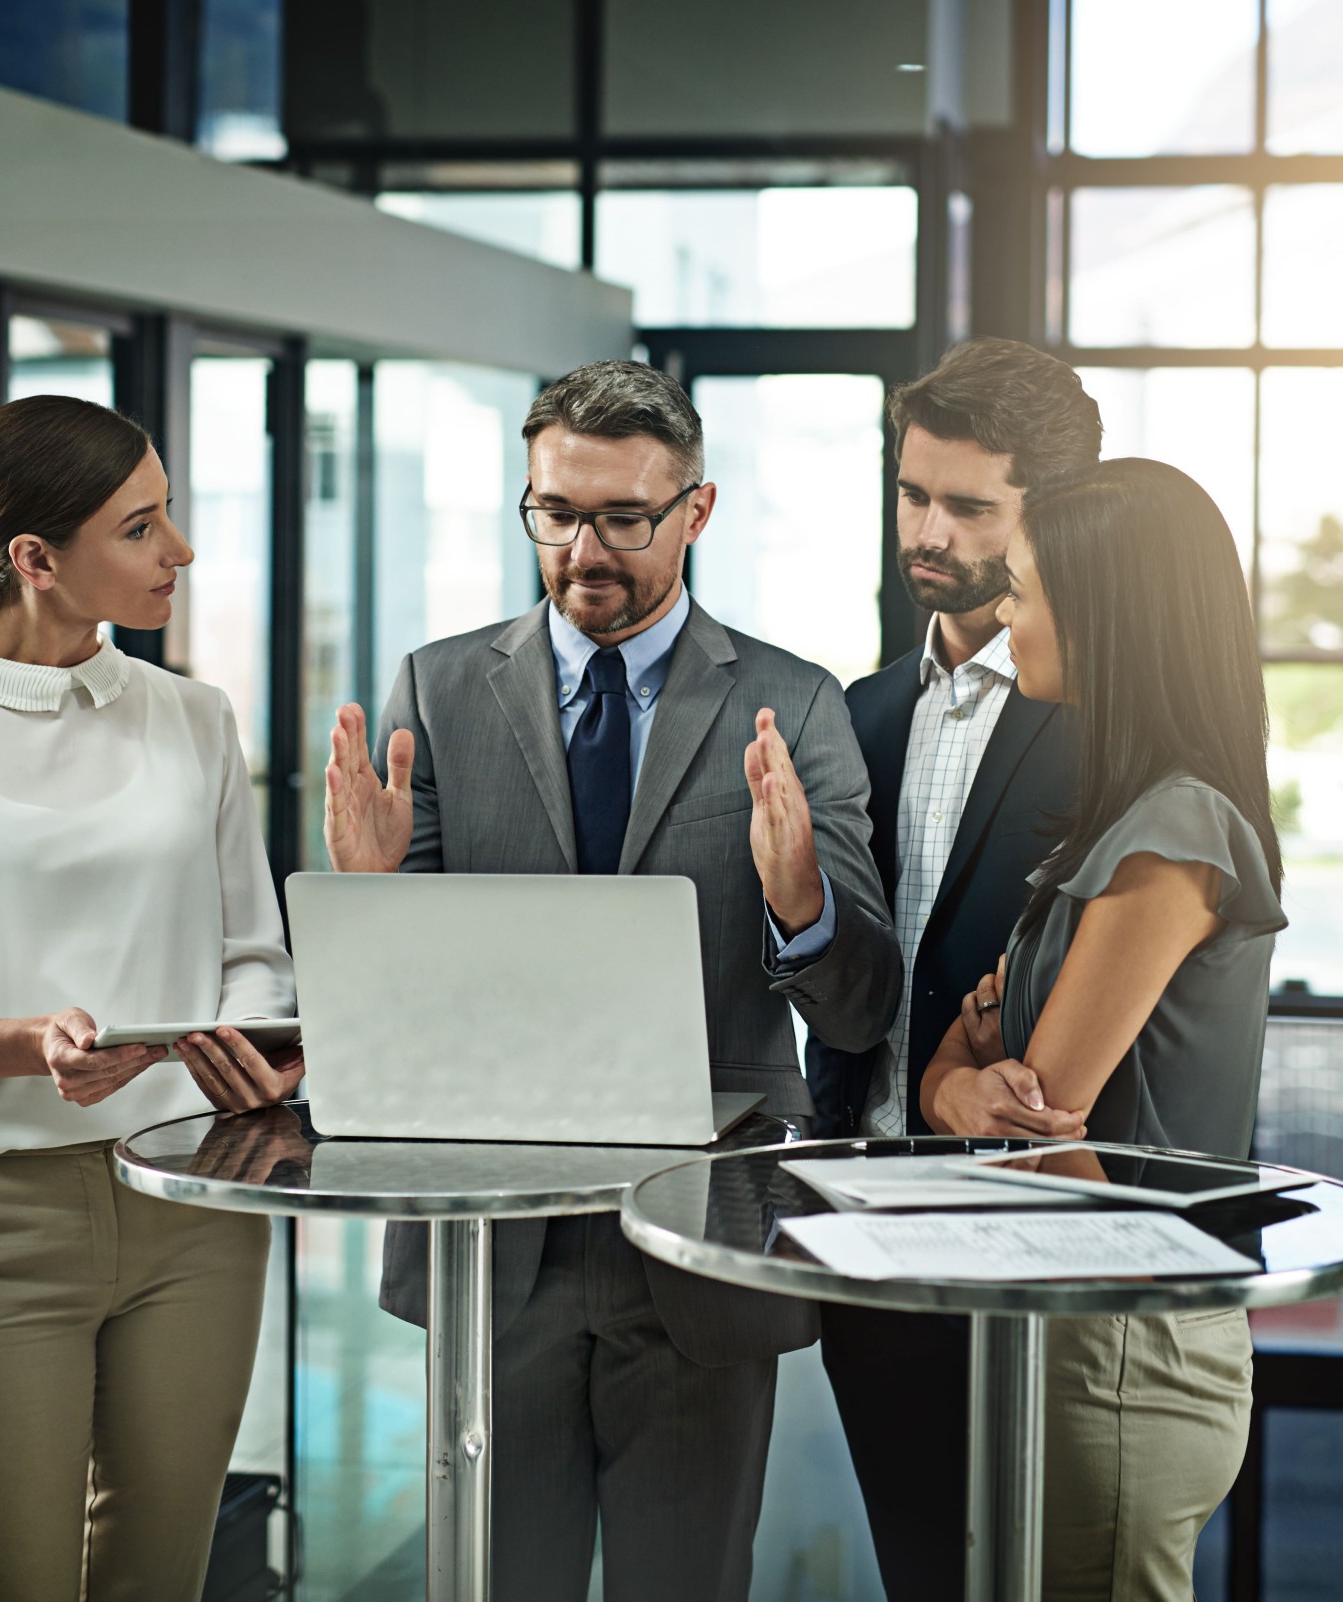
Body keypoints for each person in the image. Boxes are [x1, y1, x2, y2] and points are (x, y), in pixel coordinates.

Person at [322, 360, 900, 1602]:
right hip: (497, 1238)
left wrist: (799, 898)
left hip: (701, 1243)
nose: (586, 550)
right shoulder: (440, 688)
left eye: (624, 519)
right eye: (554, 513)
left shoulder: (790, 705)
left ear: (695, 510)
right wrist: (369, 906)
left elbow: (860, 1009)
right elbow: (388, 1025)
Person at [0, 395, 303, 1602]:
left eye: (170, 514)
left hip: (196, 1203)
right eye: (141, 528)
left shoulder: (196, 718)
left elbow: (257, 954)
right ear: (34, 559)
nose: (179, 551)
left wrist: (240, 1050)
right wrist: (33, 1044)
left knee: (159, 1582)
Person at [925, 456, 1287, 1602]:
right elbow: (963, 1063)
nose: (1003, 614)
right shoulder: (1113, 828)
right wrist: (963, 1089)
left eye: (1023, 590)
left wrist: (988, 1091)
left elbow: (1036, 1121)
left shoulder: (1173, 830)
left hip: (1123, 1333)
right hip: (1081, 1312)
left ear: (1107, 616)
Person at [807, 337, 1096, 1600]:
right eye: (914, 494)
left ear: (1052, 519)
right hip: (868, 1219)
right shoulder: (859, 713)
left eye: (969, 507)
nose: (928, 531)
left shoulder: (1097, 720)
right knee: (917, 1570)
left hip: (1041, 1221)